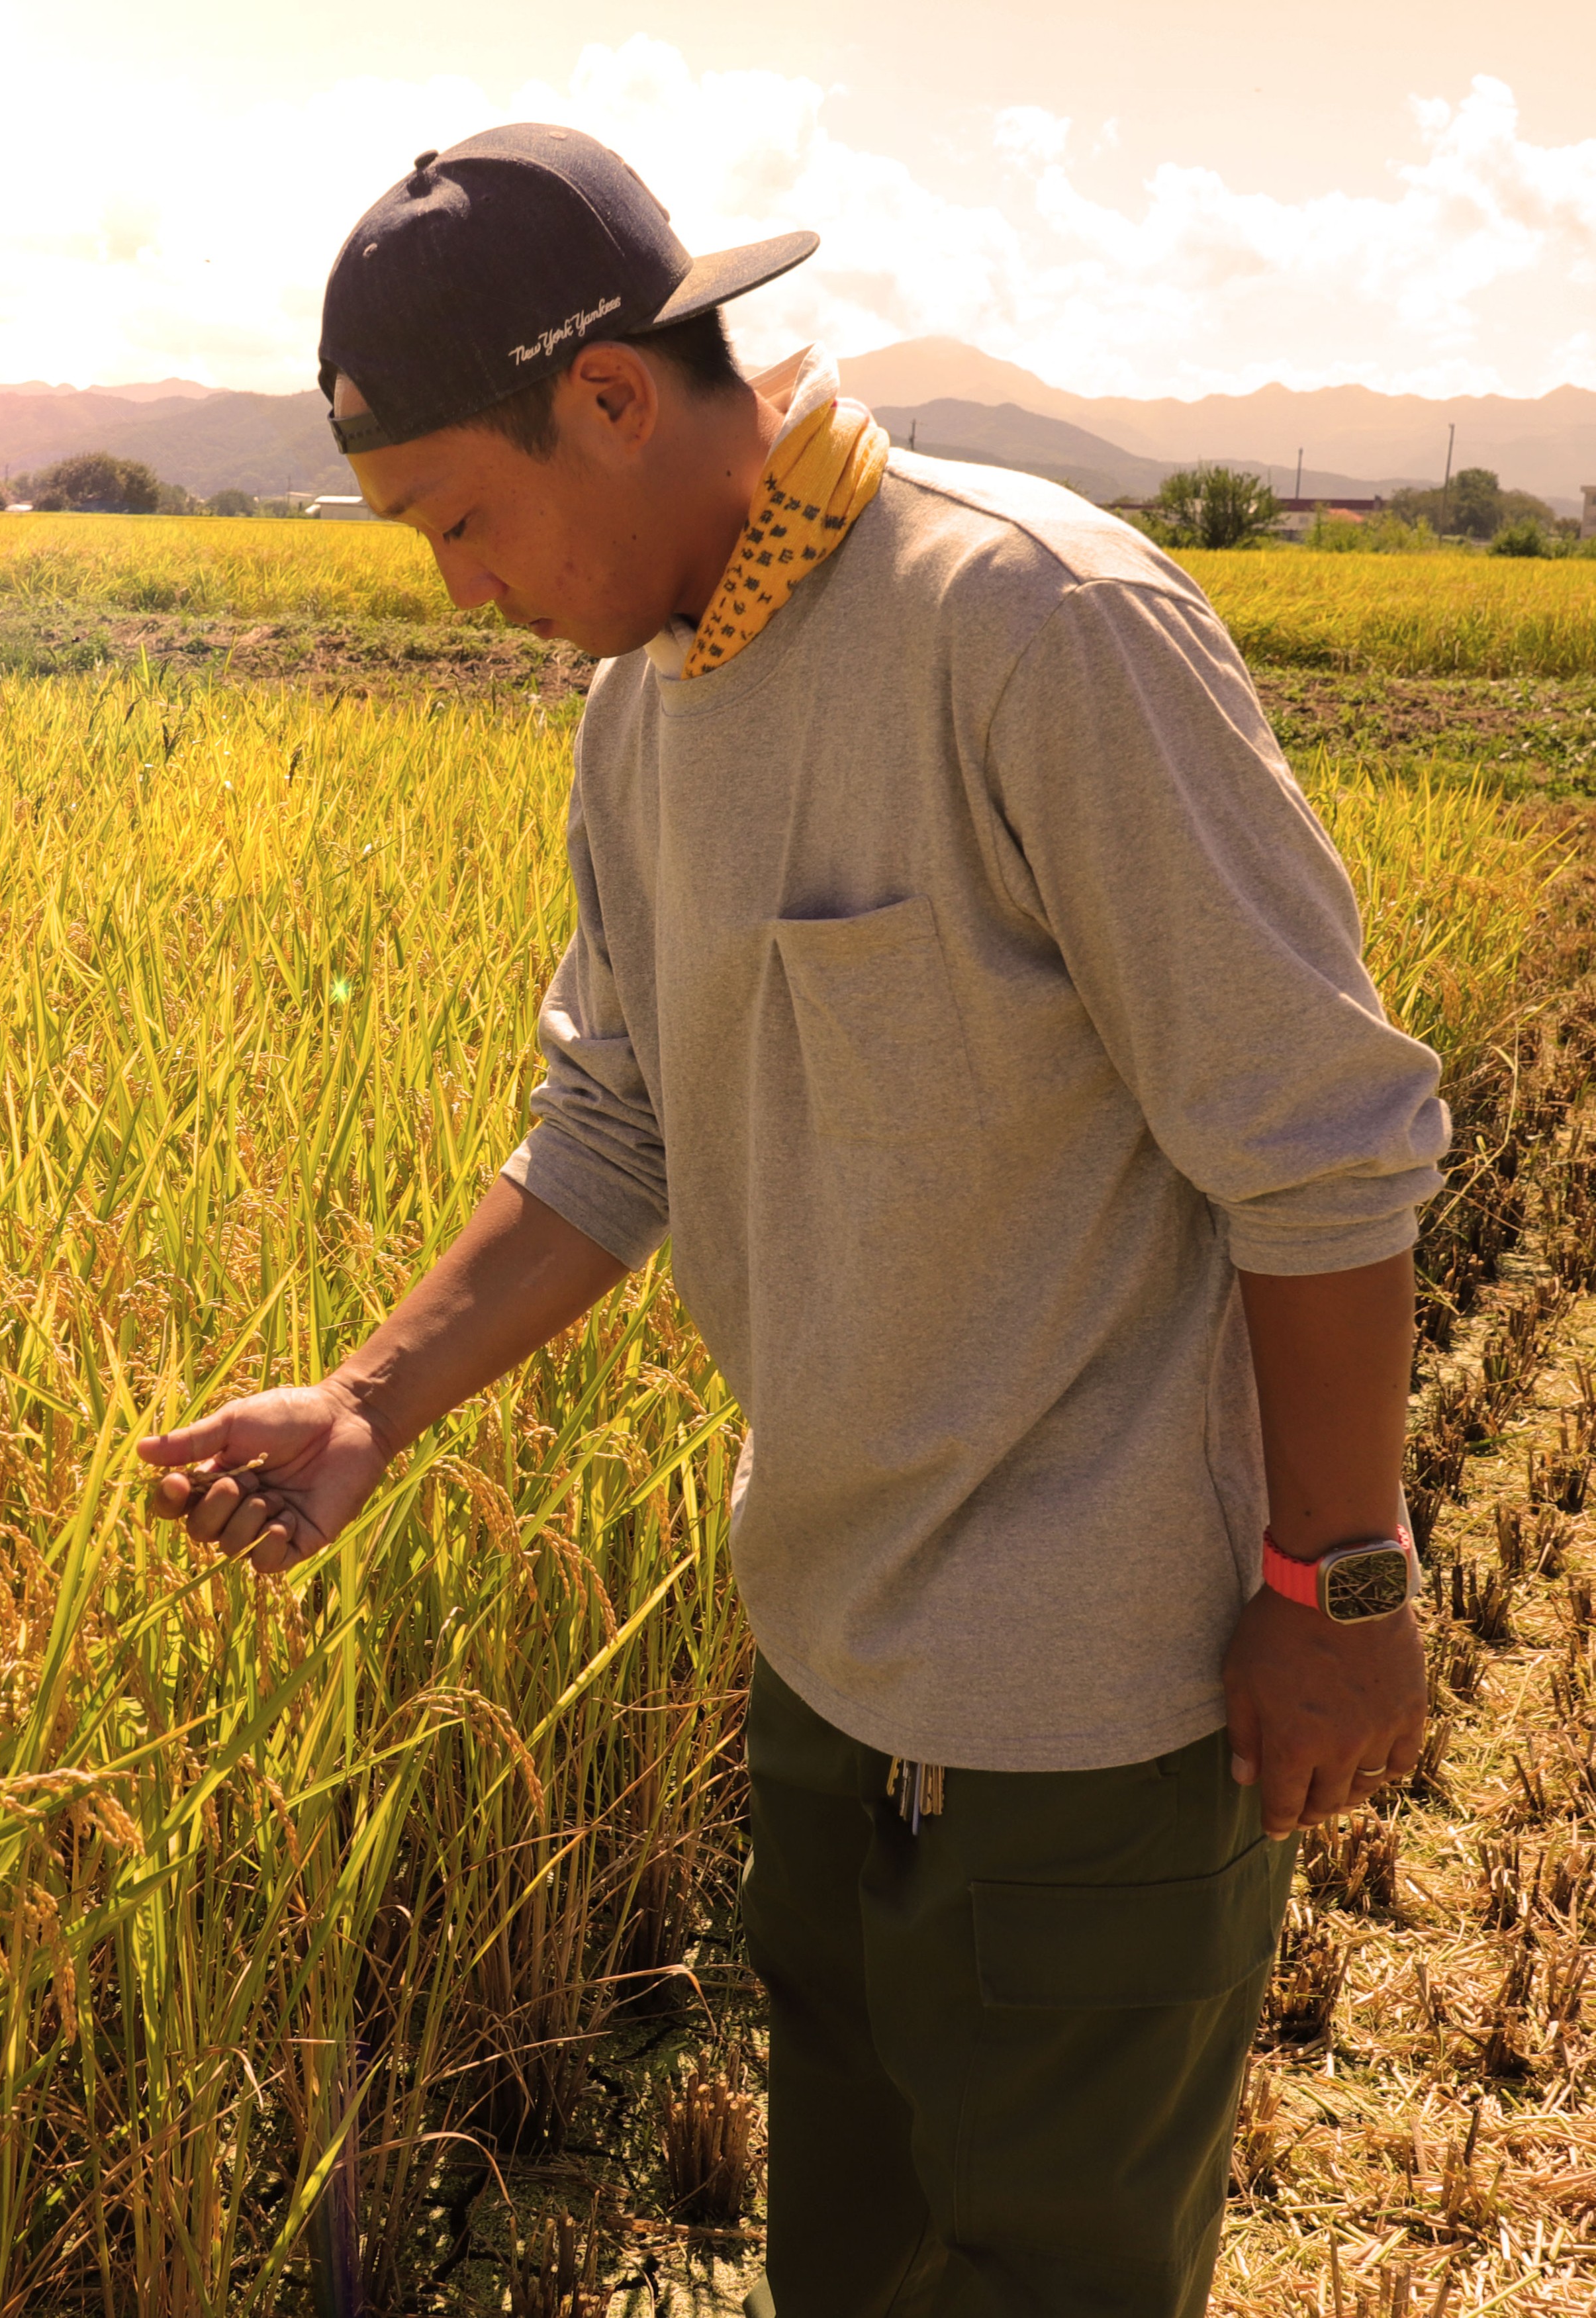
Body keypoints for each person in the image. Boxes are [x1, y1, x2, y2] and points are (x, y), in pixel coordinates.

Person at [139, 124, 1438, 2317]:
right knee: (849, 2271)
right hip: (828, 1688)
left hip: (1092, 1721)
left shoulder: (1033, 625)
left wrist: (1337, 1582)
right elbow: (611, 1127)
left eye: (455, 518)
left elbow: (1322, 1143)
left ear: (611, 400)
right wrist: (366, 1401)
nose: (454, 588)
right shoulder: (642, 710)